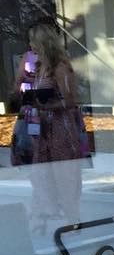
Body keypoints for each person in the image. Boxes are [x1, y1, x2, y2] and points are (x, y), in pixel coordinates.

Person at [16, 19, 85, 237]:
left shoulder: (60, 67)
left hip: (60, 128)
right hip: (42, 128)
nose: (31, 46)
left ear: (43, 43)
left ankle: (73, 222)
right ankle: (41, 220)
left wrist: (46, 105)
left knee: (65, 176)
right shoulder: (38, 67)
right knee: (41, 176)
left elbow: (71, 100)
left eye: (33, 41)